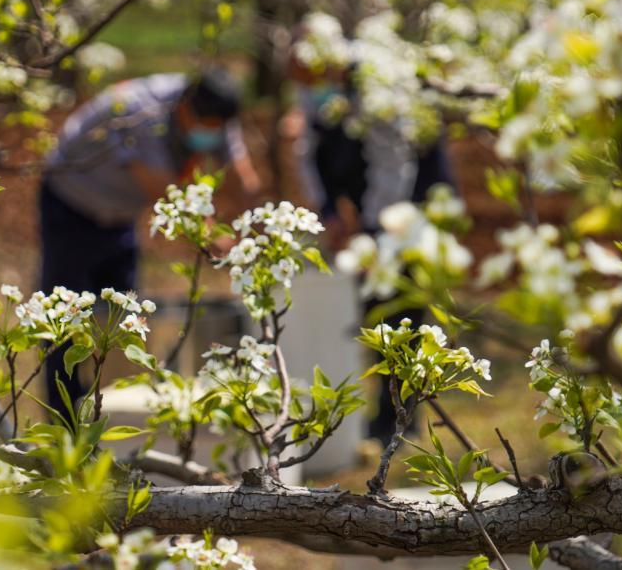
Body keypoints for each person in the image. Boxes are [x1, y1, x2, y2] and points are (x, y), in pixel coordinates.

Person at [39, 71, 260, 420]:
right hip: (72, 205)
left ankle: (112, 419)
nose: (210, 134)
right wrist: (211, 237)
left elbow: (241, 178)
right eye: (205, 125)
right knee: (66, 318)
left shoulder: (217, 113)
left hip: (121, 216)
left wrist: (257, 230)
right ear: (186, 108)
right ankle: (64, 423)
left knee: (121, 318)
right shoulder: (142, 113)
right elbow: (165, 192)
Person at [286, 54, 457, 446]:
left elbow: (393, 166)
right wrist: (327, 210)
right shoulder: (317, 91)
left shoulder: (376, 90)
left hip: (411, 205)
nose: (306, 87)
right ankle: (383, 410)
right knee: (376, 309)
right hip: (372, 204)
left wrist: (373, 232)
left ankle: (403, 415)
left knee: (403, 310)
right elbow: (309, 153)